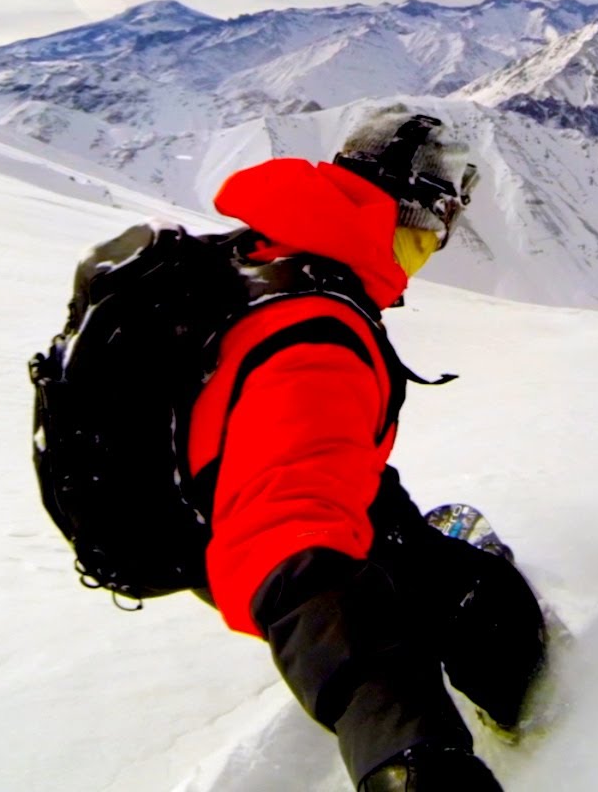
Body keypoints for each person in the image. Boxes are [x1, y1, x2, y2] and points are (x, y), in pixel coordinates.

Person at [191, 108, 548, 791]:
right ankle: (538, 722)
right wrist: (407, 754)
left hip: (217, 477)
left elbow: (310, 443)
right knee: (481, 599)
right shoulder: (318, 332)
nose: (441, 241)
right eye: (443, 220)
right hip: (243, 533)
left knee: (405, 550)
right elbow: (289, 539)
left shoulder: (279, 252)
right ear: (415, 216)